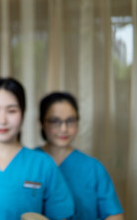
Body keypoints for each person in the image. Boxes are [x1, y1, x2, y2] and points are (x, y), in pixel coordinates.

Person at [0, 77, 74, 220]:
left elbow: (61, 215)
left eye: (11, 111)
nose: (2, 120)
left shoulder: (42, 164)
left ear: (23, 113)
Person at [36, 92, 124, 220]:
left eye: (70, 121)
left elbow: (114, 215)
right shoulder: (30, 163)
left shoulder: (93, 168)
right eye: (55, 121)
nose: (64, 129)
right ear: (42, 123)